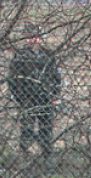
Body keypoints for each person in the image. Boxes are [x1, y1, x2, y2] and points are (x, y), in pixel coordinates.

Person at [7, 27, 61, 159]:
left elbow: (55, 76)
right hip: (28, 98)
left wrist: (54, 94)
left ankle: (46, 157)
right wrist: (20, 98)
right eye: (29, 37)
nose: (32, 40)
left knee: (46, 129)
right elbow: (13, 79)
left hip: (45, 98)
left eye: (35, 37)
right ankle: (24, 155)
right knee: (27, 129)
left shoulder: (48, 55)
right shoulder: (20, 55)